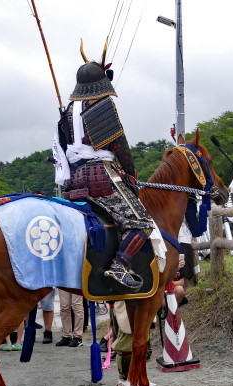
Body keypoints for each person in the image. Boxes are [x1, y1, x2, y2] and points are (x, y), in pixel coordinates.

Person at [52, 42, 154, 293]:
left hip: (74, 179)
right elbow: (119, 145)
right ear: (101, 82)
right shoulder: (101, 104)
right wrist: (131, 173)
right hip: (101, 176)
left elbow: (64, 147)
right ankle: (120, 265)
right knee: (141, 222)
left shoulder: (66, 112)